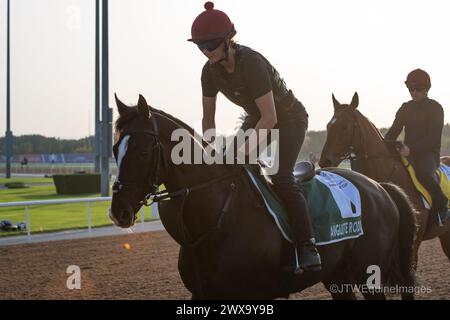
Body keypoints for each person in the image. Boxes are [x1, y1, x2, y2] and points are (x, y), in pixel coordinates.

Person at [188, 2, 321, 274]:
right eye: (200, 46)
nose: (206, 51)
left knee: (281, 177)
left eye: (210, 44)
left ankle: (307, 246)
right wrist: (209, 149)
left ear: (228, 40)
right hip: (256, 118)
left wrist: (240, 154)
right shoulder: (208, 72)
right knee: (227, 169)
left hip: (289, 119)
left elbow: (271, 119)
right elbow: (208, 119)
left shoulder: (253, 64)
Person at [385, 68, 448, 225]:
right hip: (407, 152)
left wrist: (410, 149)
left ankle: (442, 205)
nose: (414, 92)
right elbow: (392, 133)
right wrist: (387, 144)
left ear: (427, 89)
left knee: (424, 173)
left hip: (428, 154)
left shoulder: (436, 108)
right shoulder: (405, 108)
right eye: (410, 89)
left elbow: (432, 139)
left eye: (418, 89)